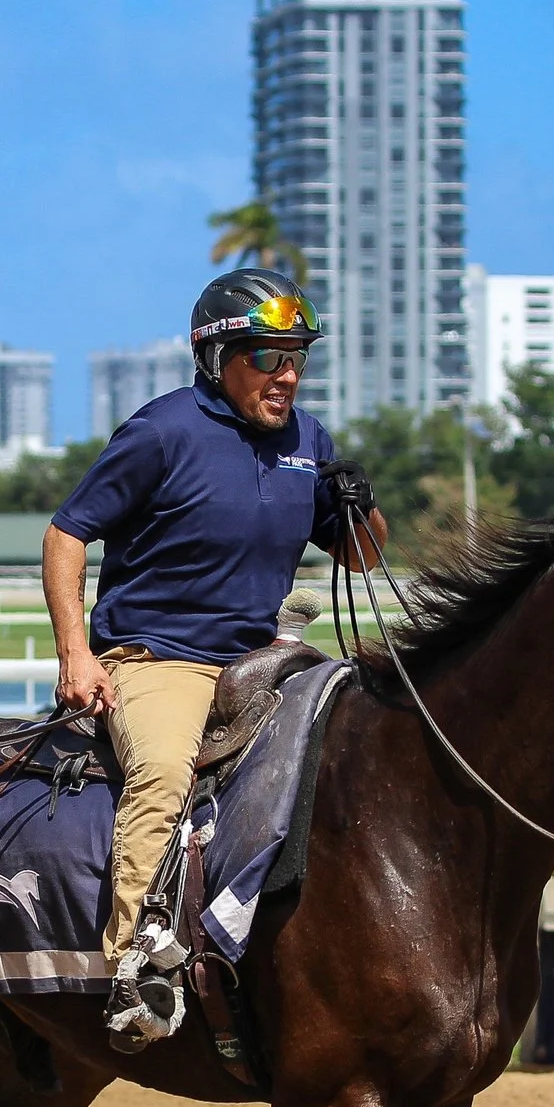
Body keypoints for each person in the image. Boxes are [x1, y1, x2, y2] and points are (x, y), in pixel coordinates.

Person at [41, 268, 389, 1049]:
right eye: (270, 357)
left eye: (297, 357)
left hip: (265, 658)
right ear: (219, 356)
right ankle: (134, 964)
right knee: (163, 771)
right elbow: (66, 534)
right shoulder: (161, 431)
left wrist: (361, 503)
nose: (288, 375)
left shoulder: (309, 439)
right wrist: (76, 652)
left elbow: (363, 557)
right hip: (160, 658)